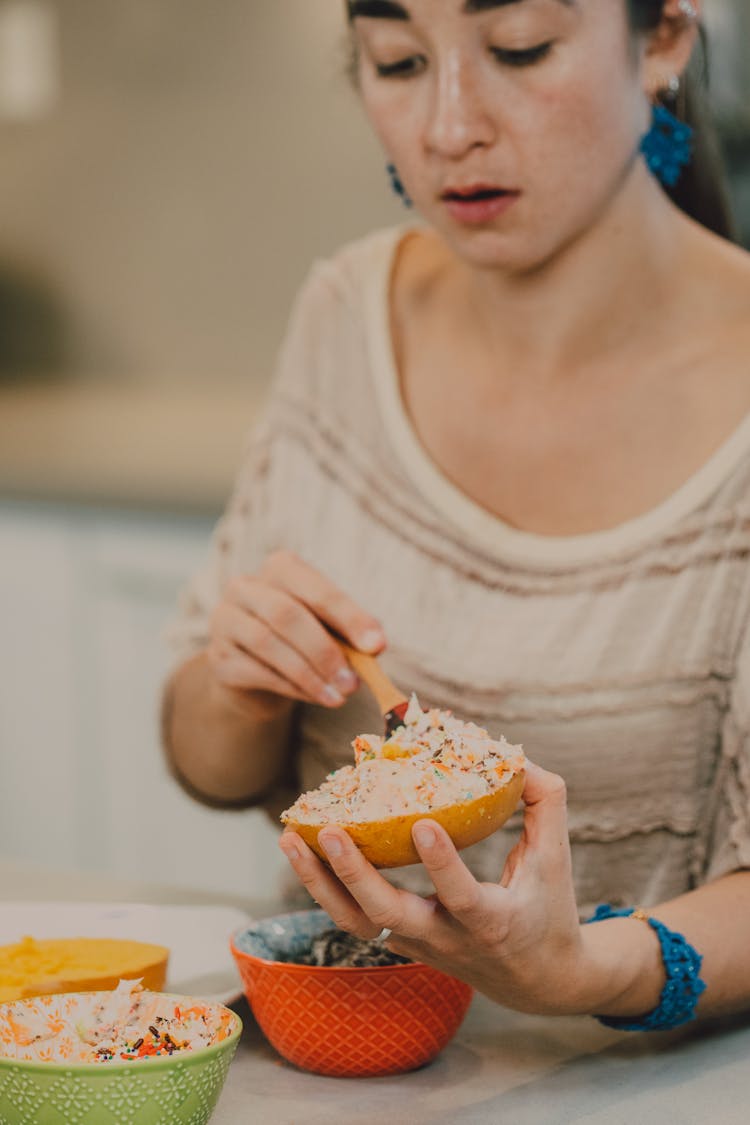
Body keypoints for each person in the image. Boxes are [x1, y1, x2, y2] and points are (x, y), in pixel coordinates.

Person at [162, 0, 750, 1029]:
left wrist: (581, 972)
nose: (448, 126)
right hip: (337, 1057)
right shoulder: (345, 309)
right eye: (397, 62)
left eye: (519, 47)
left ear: (662, 40)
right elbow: (206, 766)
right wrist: (242, 688)